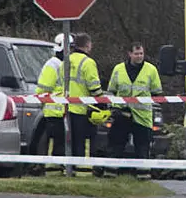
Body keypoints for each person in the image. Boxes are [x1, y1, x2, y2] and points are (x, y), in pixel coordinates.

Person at [107, 42, 163, 177]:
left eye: (141, 53)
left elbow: (157, 93)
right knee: (116, 144)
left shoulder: (151, 70)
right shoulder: (118, 69)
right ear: (129, 54)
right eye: (136, 53)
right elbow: (111, 91)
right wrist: (113, 109)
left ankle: (143, 175)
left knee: (143, 145)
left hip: (142, 115)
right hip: (122, 113)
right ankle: (111, 173)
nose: (139, 56)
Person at [67, 32, 105, 177]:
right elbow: (94, 87)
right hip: (82, 109)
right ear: (88, 45)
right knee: (85, 141)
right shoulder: (88, 62)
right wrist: (102, 103)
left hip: (65, 107)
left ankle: (70, 169)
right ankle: (83, 171)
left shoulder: (67, 60)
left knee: (70, 141)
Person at [34, 33, 72, 174]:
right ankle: (47, 167)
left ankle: (54, 167)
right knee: (53, 140)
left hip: (62, 110)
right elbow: (43, 89)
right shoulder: (53, 64)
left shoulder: (63, 64)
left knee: (59, 141)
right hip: (53, 110)